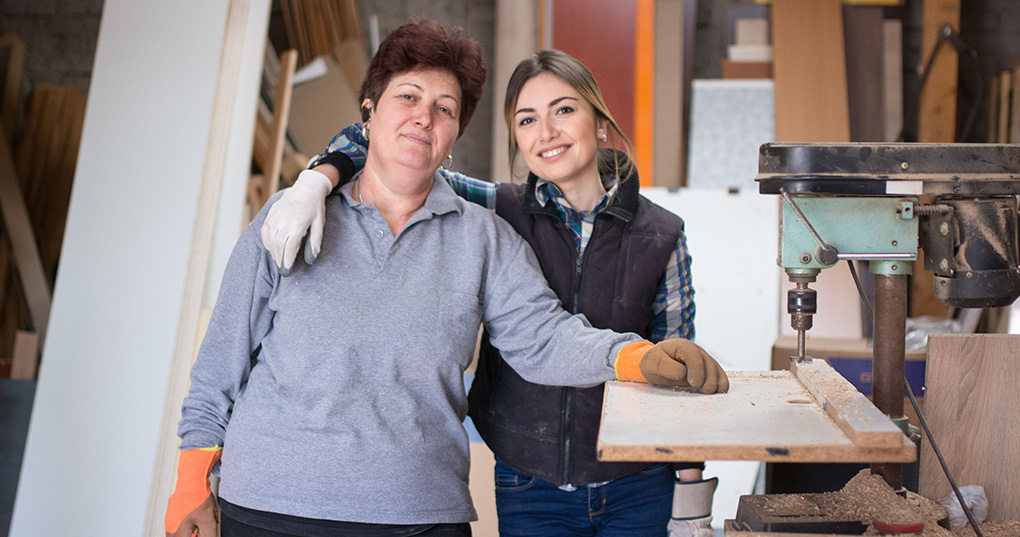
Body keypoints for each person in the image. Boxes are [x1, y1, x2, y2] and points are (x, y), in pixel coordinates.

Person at [165, 21, 727, 537]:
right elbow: (224, 357)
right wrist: (194, 469)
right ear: (368, 113)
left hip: (418, 514)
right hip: (268, 507)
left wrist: (634, 358)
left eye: (444, 108)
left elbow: (542, 338)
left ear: (455, 133)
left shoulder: (486, 234)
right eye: (407, 98)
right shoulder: (294, 217)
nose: (423, 118)